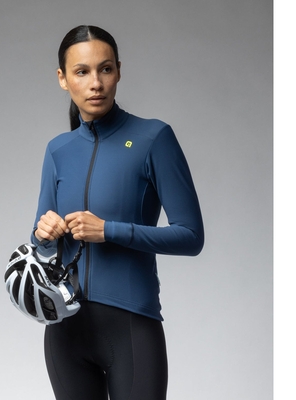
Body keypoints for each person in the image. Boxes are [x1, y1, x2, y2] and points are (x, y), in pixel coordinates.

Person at [31, 25, 204, 400]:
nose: (96, 83)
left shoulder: (153, 138)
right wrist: (42, 233)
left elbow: (191, 237)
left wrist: (109, 230)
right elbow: (40, 243)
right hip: (65, 332)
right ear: (63, 78)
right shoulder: (58, 150)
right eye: (82, 72)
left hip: (131, 328)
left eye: (105, 69)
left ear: (119, 72)